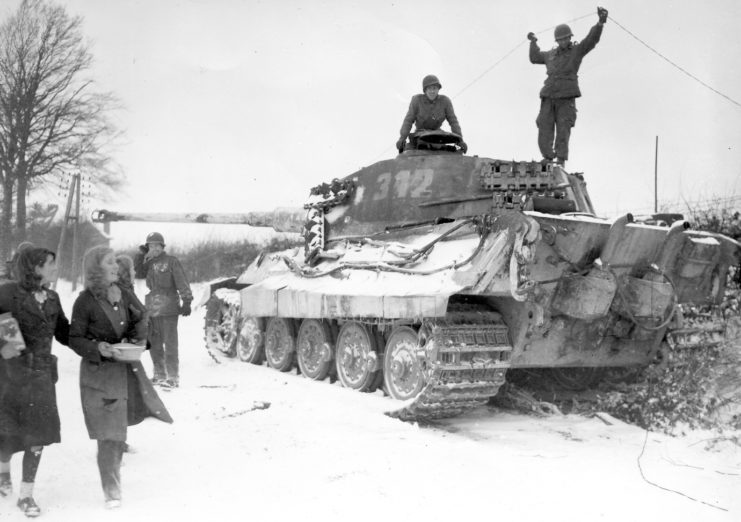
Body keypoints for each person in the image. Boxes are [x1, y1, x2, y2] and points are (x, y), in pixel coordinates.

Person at [69, 246, 172, 509]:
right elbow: (75, 338)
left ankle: (112, 484)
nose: (116, 266)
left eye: (115, 262)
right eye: (109, 263)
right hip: (98, 374)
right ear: (96, 269)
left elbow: (142, 316)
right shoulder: (85, 301)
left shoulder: (124, 293)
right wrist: (98, 348)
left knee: (116, 431)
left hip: (124, 369)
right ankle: (112, 490)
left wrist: (138, 339)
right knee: (108, 433)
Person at [0, 247, 70, 517]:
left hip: (41, 379)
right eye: (50, 263)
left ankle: (26, 495)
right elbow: (5, 335)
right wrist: (19, 369)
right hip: (10, 377)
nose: (55, 267)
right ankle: (3, 473)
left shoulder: (52, 297)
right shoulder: (7, 294)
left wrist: (97, 345)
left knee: (38, 436)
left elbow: (65, 333)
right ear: (35, 267)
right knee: (7, 432)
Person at [528, 6, 608, 165]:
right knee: (544, 125)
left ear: (570, 38)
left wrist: (600, 23)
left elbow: (591, 40)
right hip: (549, 96)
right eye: (561, 39)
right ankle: (548, 158)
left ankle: (561, 160)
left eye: (567, 38)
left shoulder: (576, 51)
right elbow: (534, 57)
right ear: (557, 41)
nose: (564, 41)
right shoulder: (550, 55)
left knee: (563, 129)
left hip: (566, 98)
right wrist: (533, 42)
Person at [134, 232, 192, 389]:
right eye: (150, 246)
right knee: (154, 344)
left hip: (169, 307)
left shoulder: (171, 262)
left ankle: (173, 377)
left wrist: (187, 300)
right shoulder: (147, 263)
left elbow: (181, 281)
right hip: (152, 308)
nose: (154, 248)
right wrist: (142, 256)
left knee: (170, 344)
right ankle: (159, 374)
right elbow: (137, 273)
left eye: (156, 245)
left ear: (162, 246)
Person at [396, 74, 467, 154]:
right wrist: (402, 138)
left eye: (435, 88)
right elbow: (408, 120)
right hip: (420, 136)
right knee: (410, 152)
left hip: (438, 137)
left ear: (438, 89)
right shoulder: (417, 100)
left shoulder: (445, 101)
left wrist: (460, 140)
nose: (432, 91)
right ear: (425, 90)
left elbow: (453, 121)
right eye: (429, 88)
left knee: (453, 152)